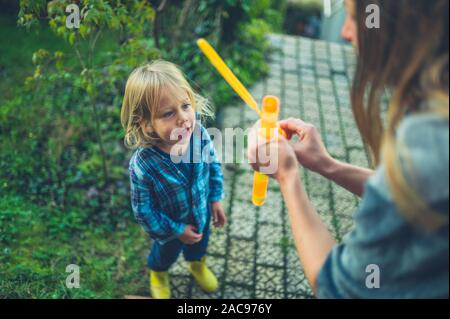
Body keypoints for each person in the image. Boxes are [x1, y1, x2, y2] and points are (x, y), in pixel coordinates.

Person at [248, 0, 449, 298]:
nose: (344, 32)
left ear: (399, 26)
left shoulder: (428, 142)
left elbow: (339, 288)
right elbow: (410, 200)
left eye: (355, 18)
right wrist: (328, 165)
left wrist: (288, 177)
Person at [120, 60, 227, 299]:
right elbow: (143, 211)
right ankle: (158, 273)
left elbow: (213, 165)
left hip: (201, 214)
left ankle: (196, 264)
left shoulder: (198, 133)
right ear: (146, 124)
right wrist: (177, 230)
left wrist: (215, 198)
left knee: (200, 244)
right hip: (169, 228)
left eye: (186, 105)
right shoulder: (144, 165)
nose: (183, 118)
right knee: (164, 255)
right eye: (168, 113)